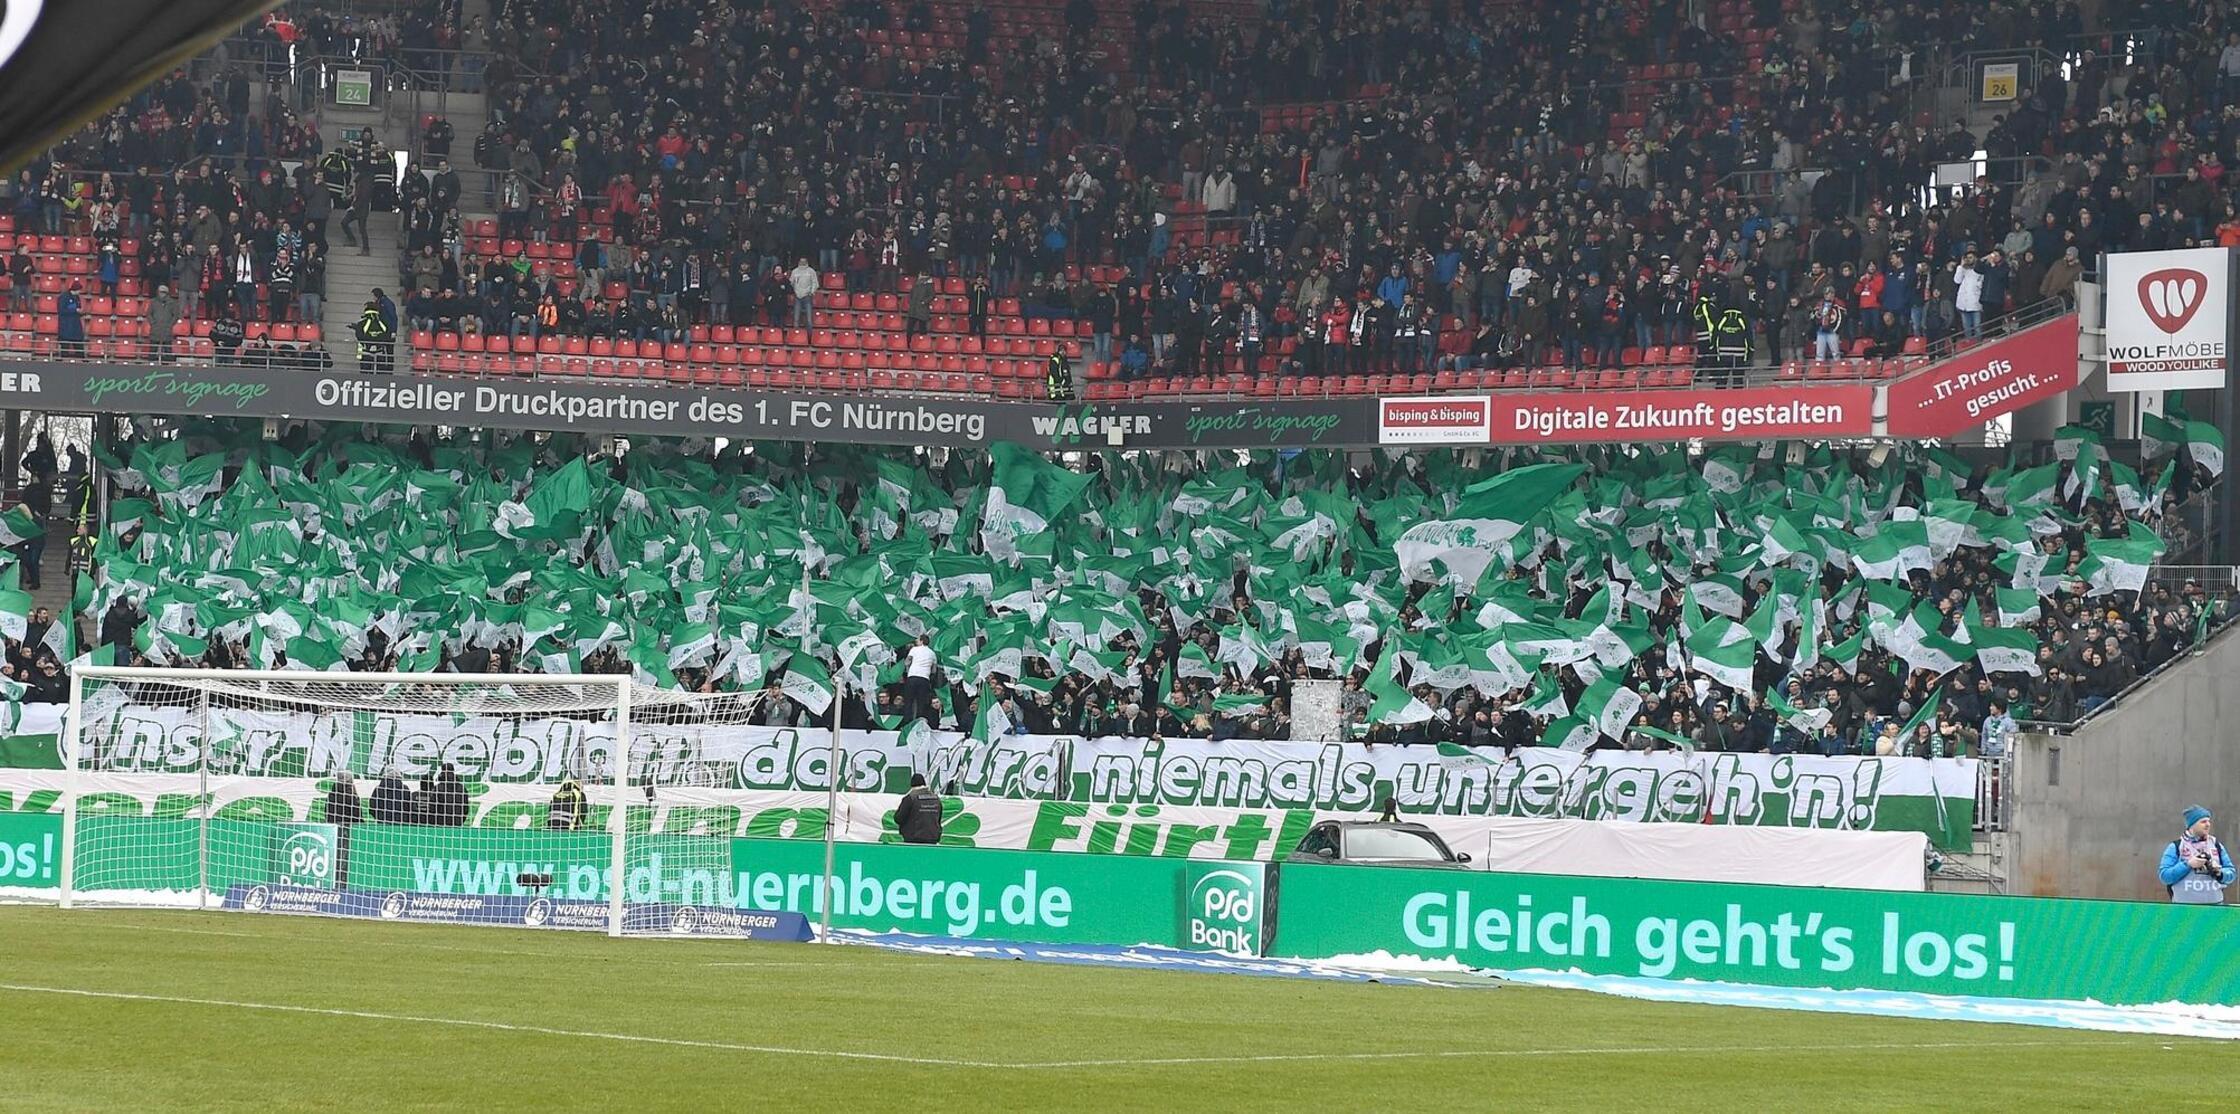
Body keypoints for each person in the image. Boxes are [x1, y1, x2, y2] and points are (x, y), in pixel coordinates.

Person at [2160, 806, 2236, 904]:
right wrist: (2188, 864)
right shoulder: (2176, 846)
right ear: (2192, 825)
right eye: (2203, 822)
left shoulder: (2216, 845)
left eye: (2208, 821)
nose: (2208, 825)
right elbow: (2165, 876)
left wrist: (2220, 873)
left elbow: (2231, 873)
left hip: (2215, 907)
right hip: (2184, 908)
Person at [895, 773, 944, 845]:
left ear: (912, 785)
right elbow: (939, 819)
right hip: (933, 838)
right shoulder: (936, 799)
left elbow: (899, 818)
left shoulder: (910, 798)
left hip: (913, 839)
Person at [903, 634, 939, 727]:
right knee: (921, 703)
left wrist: (908, 670)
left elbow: (907, 661)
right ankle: (919, 723)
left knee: (909, 701)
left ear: (922, 641)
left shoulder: (914, 649)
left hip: (912, 677)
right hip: (924, 679)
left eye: (918, 640)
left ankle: (907, 723)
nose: (916, 641)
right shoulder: (932, 653)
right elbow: (934, 670)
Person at [353, 299, 393, 372]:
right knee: (380, 374)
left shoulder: (361, 323)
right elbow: (388, 336)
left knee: (365, 374)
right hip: (380, 352)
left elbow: (359, 336)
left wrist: (368, 343)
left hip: (366, 352)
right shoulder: (384, 323)